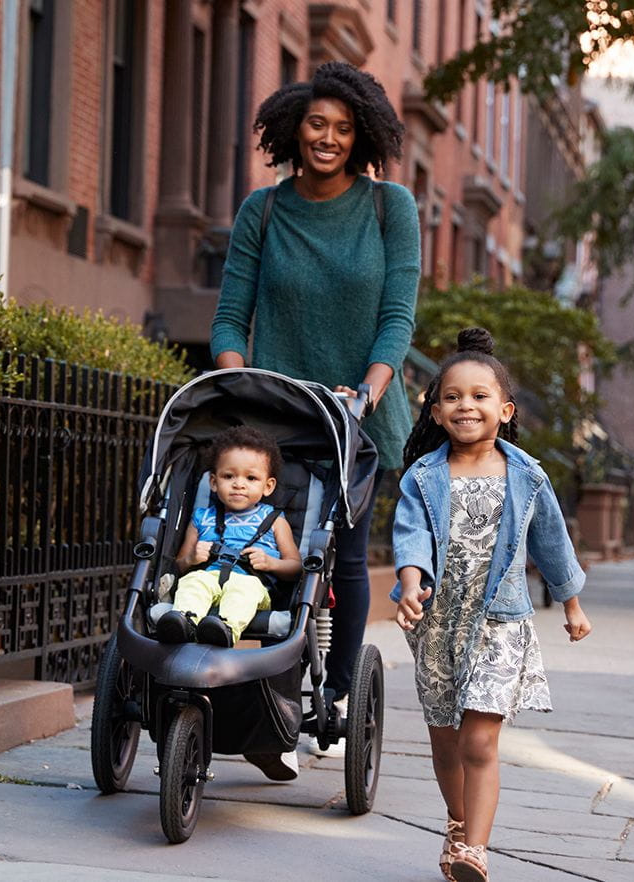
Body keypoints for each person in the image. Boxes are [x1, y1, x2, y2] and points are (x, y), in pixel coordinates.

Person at [211, 61, 420, 757]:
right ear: (294, 129)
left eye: (343, 128)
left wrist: (368, 389)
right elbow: (230, 318)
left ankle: (329, 694)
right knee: (266, 550)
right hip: (272, 416)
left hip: (356, 418)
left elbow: (397, 316)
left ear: (362, 136)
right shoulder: (262, 209)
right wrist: (236, 382)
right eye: (316, 124)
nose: (327, 138)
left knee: (346, 559)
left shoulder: (392, 208)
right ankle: (260, 691)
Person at [392, 329, 592, 882]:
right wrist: (410, 582)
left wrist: (572, 603)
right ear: (434, 411)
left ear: (504, 410)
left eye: (480, 396)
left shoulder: (526, 475)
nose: (466, 406)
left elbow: (552, 540)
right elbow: (409, 537)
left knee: (479, 739)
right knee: (446, 742)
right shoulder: (423, 476)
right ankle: (457, 824)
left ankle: (474, 850)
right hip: (437, 624)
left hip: (500, 621)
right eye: (452, 397)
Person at [158, 426, 301, 649]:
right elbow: (179, 564)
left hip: (253, 584)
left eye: (251, 478)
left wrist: (271, 562)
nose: (239, 484)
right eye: (228, 476)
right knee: (192, 582)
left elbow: (295, 567)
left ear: (268, 486)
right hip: (209, 577)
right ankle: (183, 624)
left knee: (243, 590)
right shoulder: (201, 518)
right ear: (214, 483)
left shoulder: (274, 520)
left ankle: (224, 630)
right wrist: (192, 559)